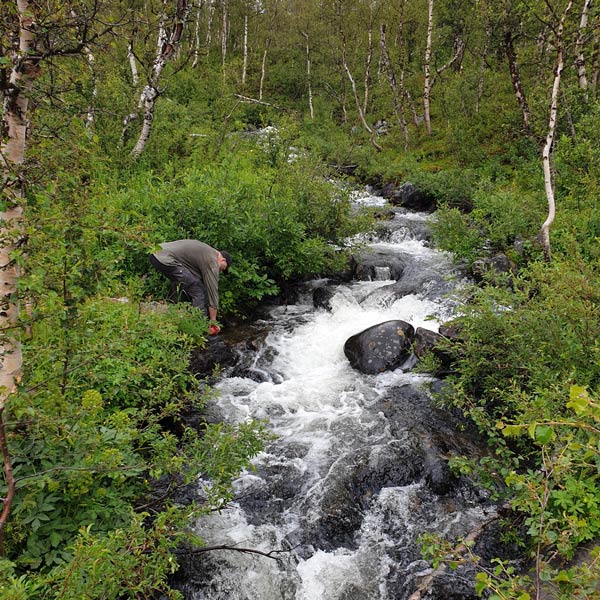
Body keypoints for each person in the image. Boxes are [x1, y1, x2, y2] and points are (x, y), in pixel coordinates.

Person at [149, 240, 232, 335]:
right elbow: (212, 292)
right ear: (223, 260)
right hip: (164, 258)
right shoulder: (212, 261)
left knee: (183, 284)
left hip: (155, 253)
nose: (220, 271)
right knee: (198, 290)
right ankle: (198, 328)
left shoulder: (207, 252)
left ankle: (175, 314)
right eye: (223, 268)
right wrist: (213, 321)